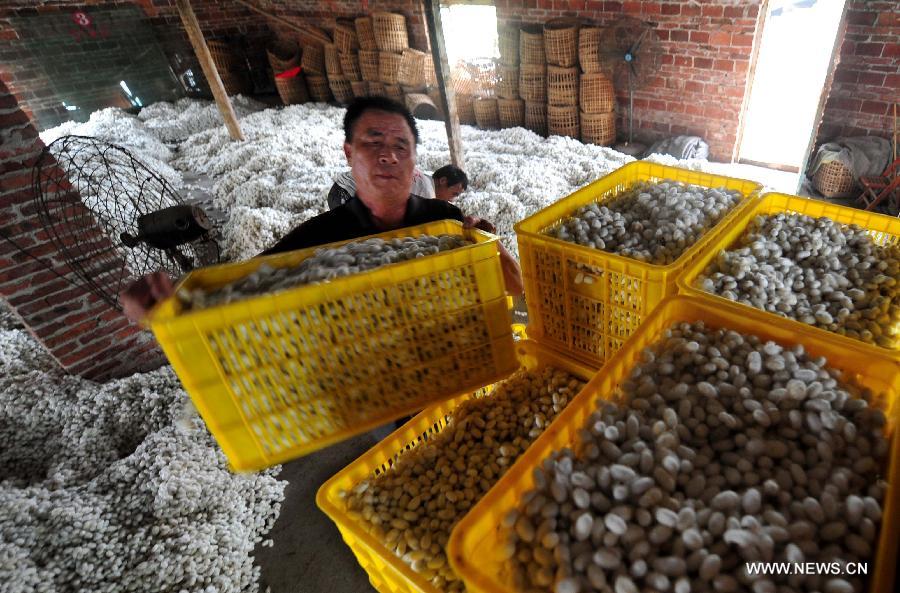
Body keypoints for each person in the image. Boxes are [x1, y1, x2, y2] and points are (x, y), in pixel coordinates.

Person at [121, 96, 523, 322]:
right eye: (372, 142)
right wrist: (173, 302)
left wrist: (491, 243)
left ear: (415, 160)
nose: (388, 156)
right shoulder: (316, 238)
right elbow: (247, 287)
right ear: (349, 154)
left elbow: (514, 290)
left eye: (401, 146)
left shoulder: (445, 220)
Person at [326, 163, 469, 209]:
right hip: (348, 193)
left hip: (341, 187)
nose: (452, 200)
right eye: (454, 194)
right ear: (443, 181)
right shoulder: (427, 193)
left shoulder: (421, 179)